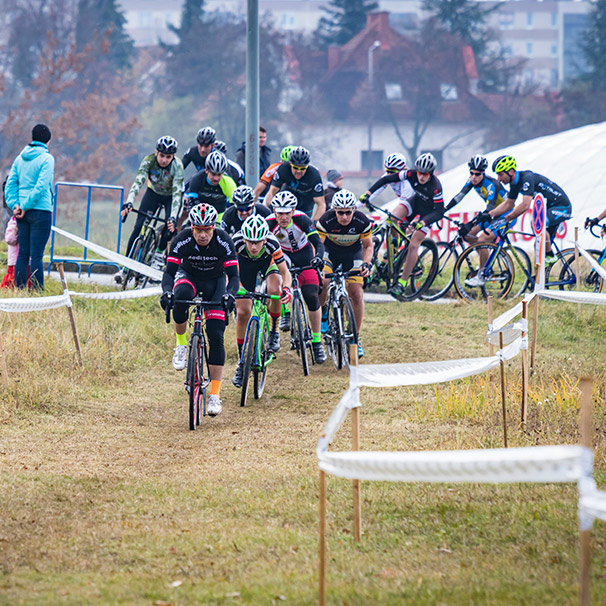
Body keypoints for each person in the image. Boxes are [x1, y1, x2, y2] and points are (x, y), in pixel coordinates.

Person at [160, 203, 239, 417]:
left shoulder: (223, 241)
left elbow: (233, 277)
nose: (203, 235)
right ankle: (181, 345)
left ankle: (214, 394)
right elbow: (168, 274)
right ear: (192, 227)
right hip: (190, 277)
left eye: (207, 230)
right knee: (180, 297)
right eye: (198, 230)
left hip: (215, 282)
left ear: (214, 228)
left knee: (215, 334)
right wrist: (167, 292)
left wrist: (230, 295)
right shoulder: (182, 239)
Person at [360, 153, 444, 301]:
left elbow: (439, 212)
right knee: (390, 219)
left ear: (431, 173)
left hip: (428, 214)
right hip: (414, 204)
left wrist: (422, 222)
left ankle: (402, 283)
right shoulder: (411, 173)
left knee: (413, 245)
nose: (421, 177)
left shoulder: (436, 187)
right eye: (419, 173)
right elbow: (386, 179)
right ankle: (394, 247)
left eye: (425, 174)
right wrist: (368, 193)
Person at [265, 191, 327, 364]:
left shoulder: (302, 220)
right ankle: (282, 315)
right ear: (274, 211)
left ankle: (316, 342)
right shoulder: (268, 223)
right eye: (280, 213)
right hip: (281, 255)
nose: (283, 217)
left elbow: (317, 243)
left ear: (293, 211)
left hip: (303, 253)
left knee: (311, 295)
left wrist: (318, 258)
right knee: (278, 286)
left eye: (287, 212)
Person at [231, 215, 293, 387]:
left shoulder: (273, 244)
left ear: (265, 239)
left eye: (258, 242)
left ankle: (273, 329)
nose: (253, 246)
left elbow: (286, 273)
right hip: (244, 271)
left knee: (275, 289)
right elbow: (228, 272)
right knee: (243, 312)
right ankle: (242, 362)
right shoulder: (235, 242)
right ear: (244, 238)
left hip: (268, 266)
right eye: (250, 241)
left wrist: (286, 289)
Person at [317, 189, 373, 358]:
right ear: (334, 210)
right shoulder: (326, 220)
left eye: (348, 213)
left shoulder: (362, 221)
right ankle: (324, 311)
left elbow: (368, 246)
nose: (344, 217)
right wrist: (317, 264)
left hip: (352, 255)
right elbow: (318, 246)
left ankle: (354, 338)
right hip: (330, 254)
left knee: (356, 293)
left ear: (354, 210)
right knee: (323, 282)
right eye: (340, 213)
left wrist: (366, 263)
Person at [491, 154, 572, 269]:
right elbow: (509, 204)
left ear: (511, 171)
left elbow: (525, 205)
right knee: (538, 245)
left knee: (536, 224)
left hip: (562, 207)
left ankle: (550, 256)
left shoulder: (527, 178)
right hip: (549, 208)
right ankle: (541, 280)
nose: (499, 179)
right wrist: (489, 214)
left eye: (500, 174)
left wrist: (506, 218)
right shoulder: (514, 184)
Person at [444, 155, 514, 286]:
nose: (474, 177)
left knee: (482, 239)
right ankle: (487, 262)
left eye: (477, 174)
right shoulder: (471, 180)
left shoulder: (492, 184)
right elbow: (460, 196)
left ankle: (482, 274)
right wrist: (445, 209)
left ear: (483, 173)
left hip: (506, 214)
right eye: (471, 173)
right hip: (493, 214)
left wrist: (471, 222)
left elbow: (490, 208)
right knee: (468, 234)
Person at [4, 123, 55, 290]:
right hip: (41, 211)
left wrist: (15, 206)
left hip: (21, 214)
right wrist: (25, 206)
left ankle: (19, 290)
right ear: (48, 141)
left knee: (23, 254)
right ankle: (37, 293)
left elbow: (10, 184)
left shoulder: (20, 158)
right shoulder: (47, 159)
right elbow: (41, 187)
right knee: (37, 256)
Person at [263, 146, 326, 221]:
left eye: (302, 168)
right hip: (288, 196)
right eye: (295, 168)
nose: (299, 171)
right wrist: (272, 211)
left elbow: (321, 204)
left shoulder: (314, 175)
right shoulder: (283, 169)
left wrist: (314, 223)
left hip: (305, 203)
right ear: (290, 164)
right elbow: (272, 192)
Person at [180, 150, 237, 227]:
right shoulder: (197, 179)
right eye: (213, 174)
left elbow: (233, 208)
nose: (216, 178)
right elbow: (192, 204)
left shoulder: (229, 183)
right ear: (206, 170)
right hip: (200, 212)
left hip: (219, 214)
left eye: (219, 175)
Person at [1, 217, 19, 288]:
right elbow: (9, 239)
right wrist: (15, 232)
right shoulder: (13, 222)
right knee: (11, 277)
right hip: (14, 259)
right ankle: (5, 290)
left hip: (25, 260)